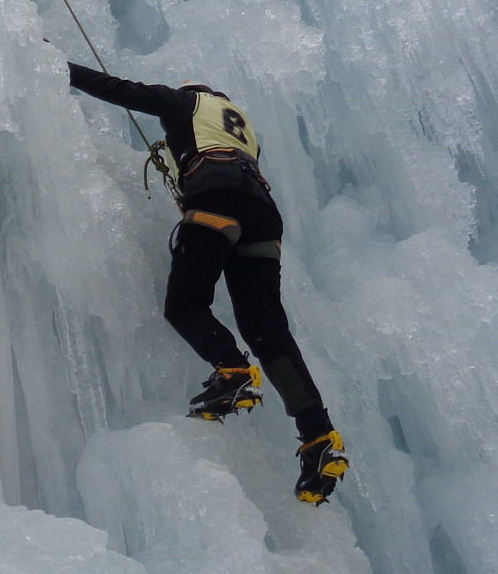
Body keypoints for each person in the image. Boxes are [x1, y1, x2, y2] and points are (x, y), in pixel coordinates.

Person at [67, 63, 349, 504]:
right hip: (261, 216)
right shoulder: (243, 128)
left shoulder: (185, 102)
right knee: (267, 330)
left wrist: (59, 67)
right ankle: (318, 435)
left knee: (185, 304)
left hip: (218, 198)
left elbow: (119, 89)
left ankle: (231, 368)